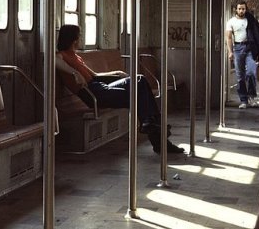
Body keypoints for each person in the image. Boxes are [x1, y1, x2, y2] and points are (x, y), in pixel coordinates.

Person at [56, 24, 184, 154]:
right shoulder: (62, 55)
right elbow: (55, 61)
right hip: (94, 95)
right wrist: (74, 73)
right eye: (80, 36)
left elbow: (95, 76)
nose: (81, 38)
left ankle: (150, 125)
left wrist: (116, 73)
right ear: (74, 39)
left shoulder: (76, 56)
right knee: (139, 96)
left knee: (140, 80)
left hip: (100, 87)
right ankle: (158, 136)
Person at [225, 1, 259, 109]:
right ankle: (244, 100)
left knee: (251, 72)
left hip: (249, 48)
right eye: (239, 9)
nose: (241, 11)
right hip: (238, 48)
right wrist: (230, 51)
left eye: (243, 9)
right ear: (236, 10)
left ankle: (252, 96)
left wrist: (258, 51)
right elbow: (229, 38)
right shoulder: (231, 22)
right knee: (240, 76)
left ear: (246, 9)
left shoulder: (250, 20)